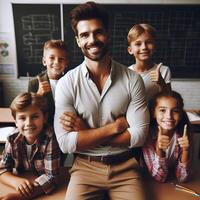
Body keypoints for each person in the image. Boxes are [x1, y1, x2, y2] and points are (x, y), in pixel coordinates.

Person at [54, 2, 149, 200]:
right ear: (78, 41)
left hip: (126, 169)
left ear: (108, 34)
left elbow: (138, 137)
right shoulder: (66, 84)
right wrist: (114, 128)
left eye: (98, 32)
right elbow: (66, 143)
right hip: (84, 169)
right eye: (85, 35)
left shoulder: (133, 80)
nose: (92, 40)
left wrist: (85, 133)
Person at [0, 92, 60, 200]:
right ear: (16, 121)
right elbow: (2, 169)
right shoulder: (12, 138)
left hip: (39, 187)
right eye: (22, 118)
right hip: (22, 179)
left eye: (35, 117)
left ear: (44, 118)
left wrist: (20, 196)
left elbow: (52, 178)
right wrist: (16, 182)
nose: (29, 123)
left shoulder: (50, 138)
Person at [142, 90, 192, 183]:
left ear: (180, 115)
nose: (169, 116)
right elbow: (159, 178)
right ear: (153, 113)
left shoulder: (183, 135)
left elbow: (182, 178)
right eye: (162, 110)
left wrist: (186, 151)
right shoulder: (147, 136)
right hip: (151, 184)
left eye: (175, 111)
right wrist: (159, 150)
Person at [127, 23, 171, 101]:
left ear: (155, 46)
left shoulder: (163, 71)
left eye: (149, 42)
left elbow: (169, 100)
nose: (144, 47)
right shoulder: (126, 73)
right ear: (130, 50)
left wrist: (161, 83)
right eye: (138, 44)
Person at [28, 39, 68, 124]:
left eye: (61, 59)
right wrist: (38, 95)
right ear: (44, 61)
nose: (56, 62)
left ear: (66, 63)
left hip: (65, 127)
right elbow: (28, 112)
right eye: (52, 58)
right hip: (44, 129)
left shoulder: (70, 81)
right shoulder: (34, 83)